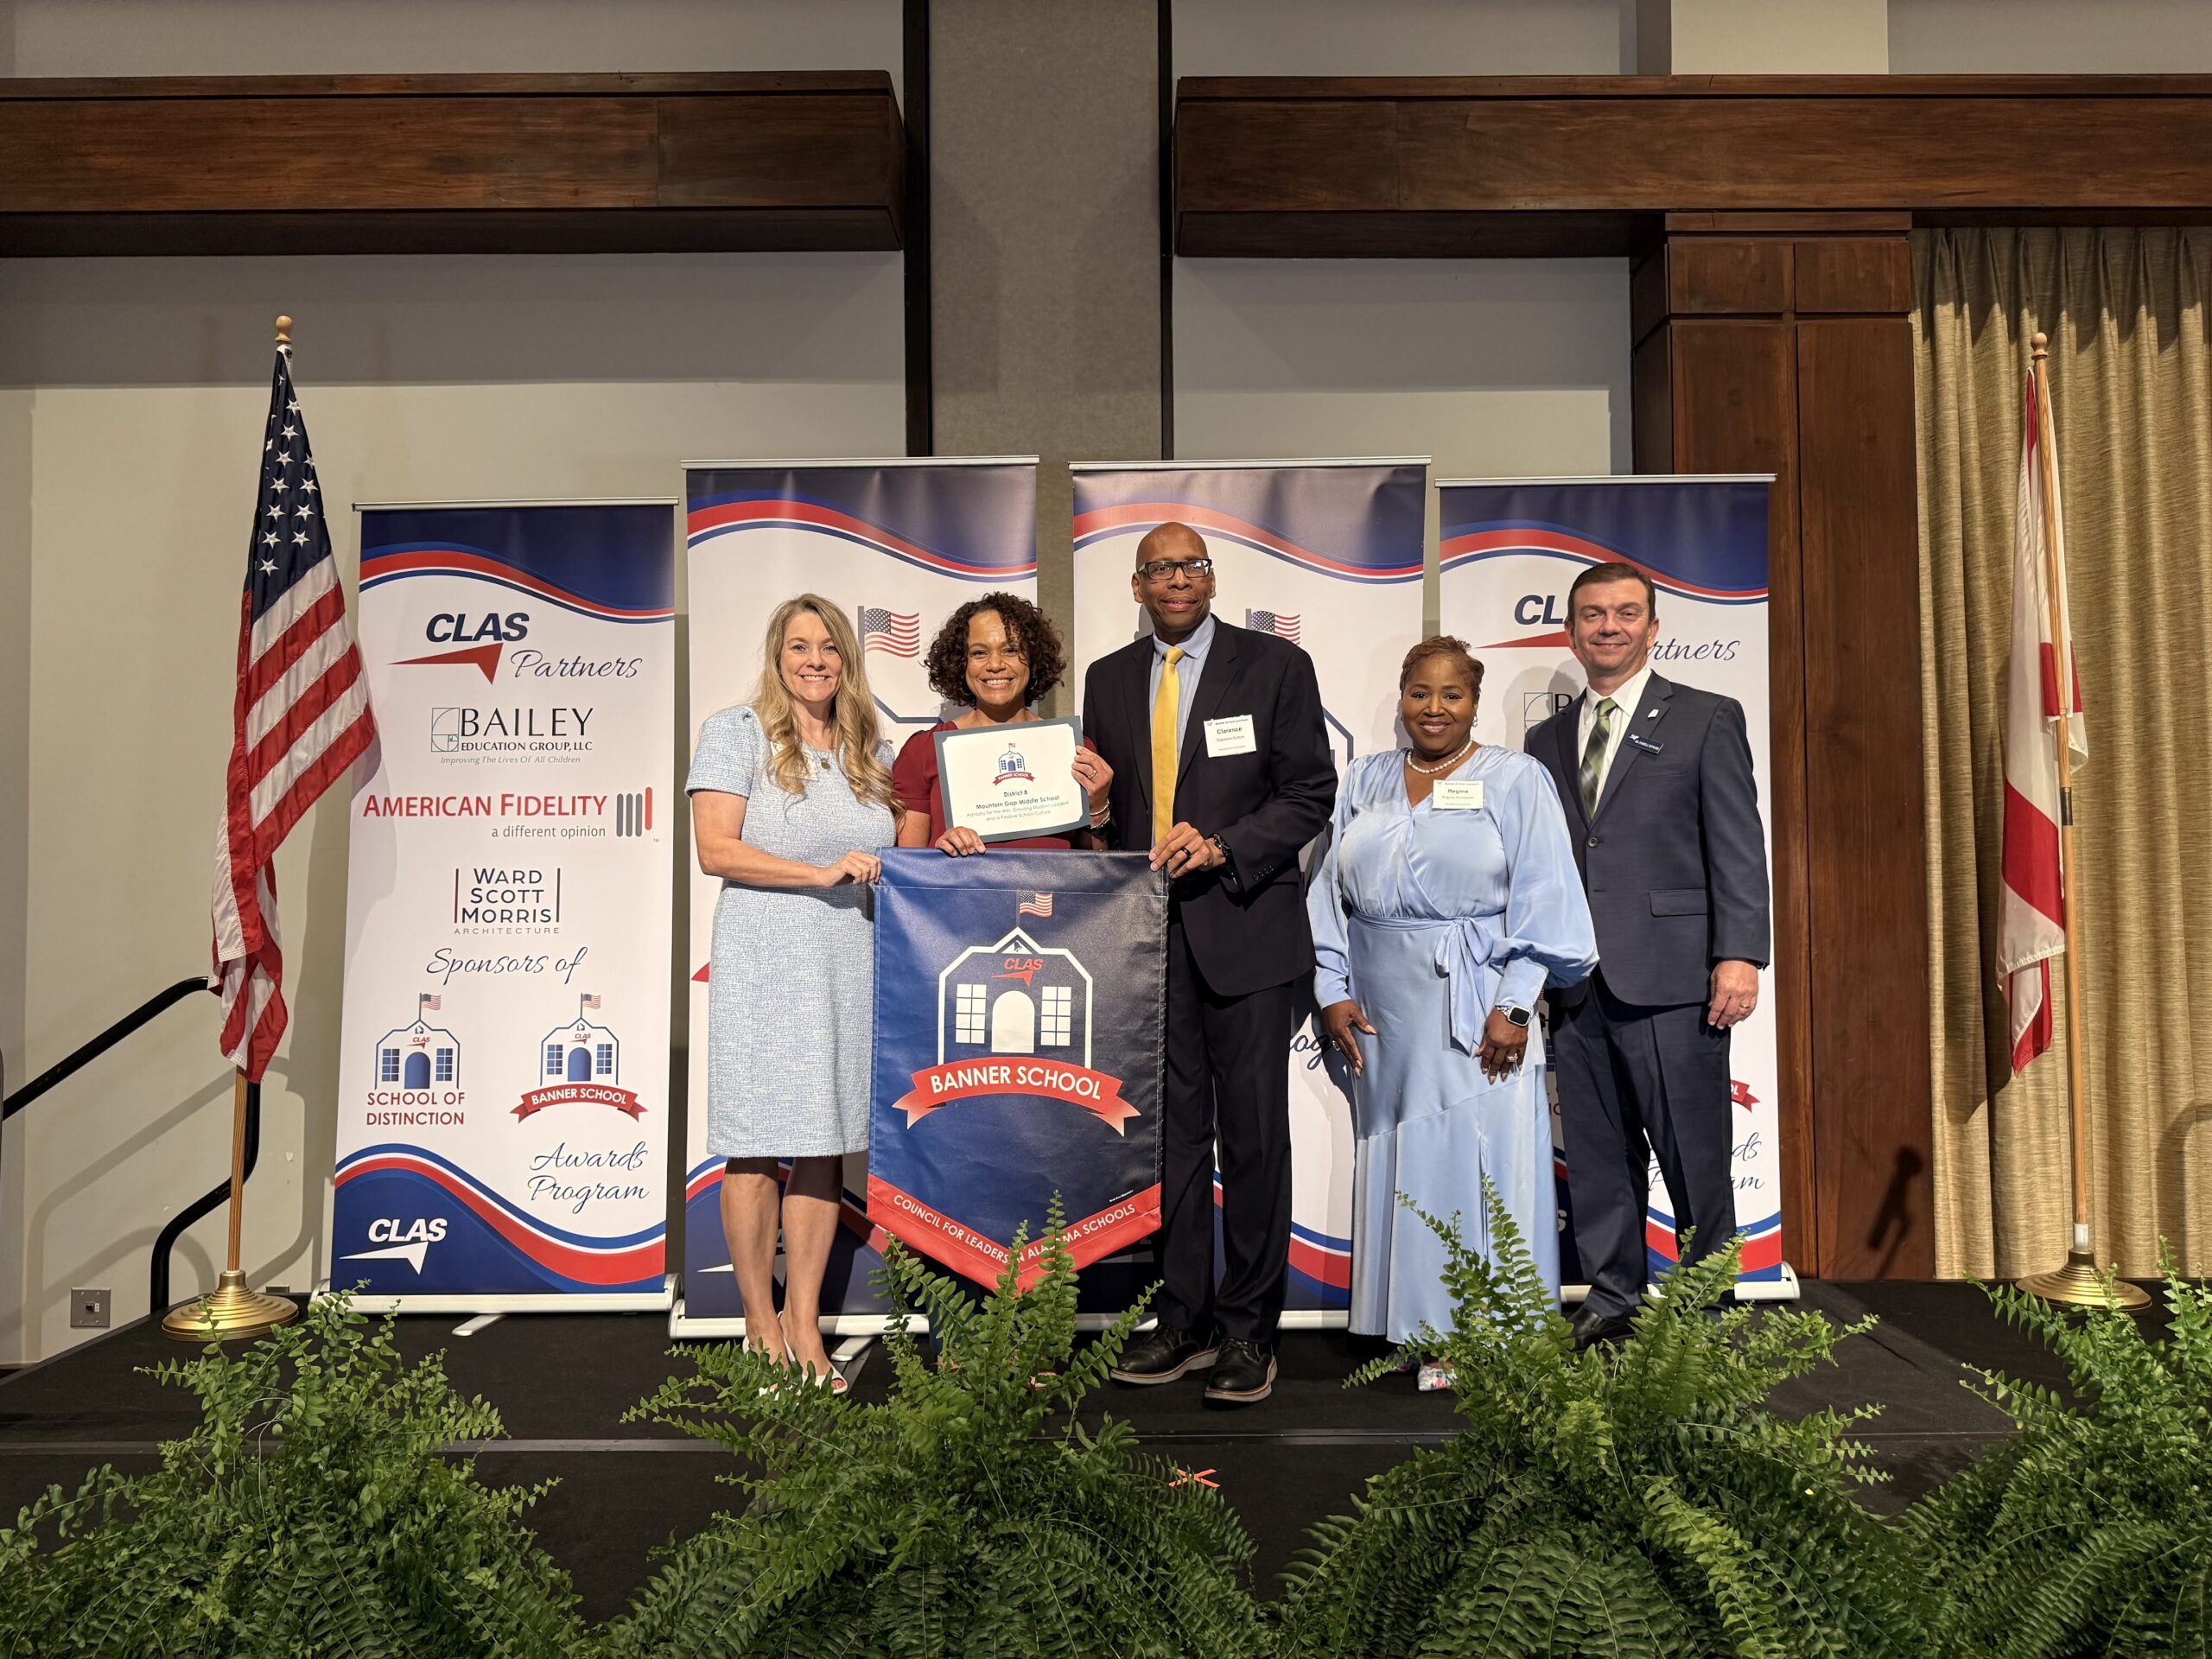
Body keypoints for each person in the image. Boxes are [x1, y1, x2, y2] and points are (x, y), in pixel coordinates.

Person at [1082, 521, 1337, 1407]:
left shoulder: (1273, 668)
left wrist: (1226, 845)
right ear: (1136, 583)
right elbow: (1106, 820)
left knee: (1255, 1137)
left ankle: (1248, 1332)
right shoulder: (1108, 679)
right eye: (1159, 568)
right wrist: (1098, 808)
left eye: (1190, 564)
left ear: (1212, 575)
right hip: (1150, 946)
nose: (1177, 579)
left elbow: (1309, 792)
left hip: (1247, 934)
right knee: (1172, 1144)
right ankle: (1181, 1321)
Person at [1310, 638, 1597, 1380]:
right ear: (1400, 696)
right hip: (1381, 1011)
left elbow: (1547, 895)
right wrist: (1331, 987)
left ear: (1475, 701)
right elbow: (1327, 896)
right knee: (1403, 1160)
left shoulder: (1516, 778)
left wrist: (1514, 1003)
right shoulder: (1366, 778)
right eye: (1419, 693)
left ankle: (1482, 1336)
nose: (1434, 709)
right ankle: (1404, 1326)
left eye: (1452, 695)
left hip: (1479, 1005)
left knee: (1481, 1163)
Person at [1524, 562, 1770, 1351]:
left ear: (1654, 629)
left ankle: (1705, 1305)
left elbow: (1738, 847)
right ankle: (1613, 1294)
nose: (1608, 627)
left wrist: (1740, 955)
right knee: (1597, 1155)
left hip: (1675, 977)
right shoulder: (1544, 739)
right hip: (1577, 979)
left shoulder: (1705, 716)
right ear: (1571, 630)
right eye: (1592, 614)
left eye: (1626, 613)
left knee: (1693, 1154)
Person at [687, 594, 900, 1390]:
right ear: (777, 657)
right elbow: (715, 850)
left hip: (850, 958)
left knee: (824, 1141)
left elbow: (898, 854)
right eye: (798, 646)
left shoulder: (866, 749)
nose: (815, 660)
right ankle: (758, 1322)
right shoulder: (735, 732)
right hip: (766, 959)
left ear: (848, 659)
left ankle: (804, 1325)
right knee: (757, 1140)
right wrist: (816, 872)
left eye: (829, 647)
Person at [893, 592, 1113, 855]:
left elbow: (1095, 869)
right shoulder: (923, 751)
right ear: (961, 664)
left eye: (1011, 650)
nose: (995, 665)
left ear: (1033, 658)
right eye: (979, 653)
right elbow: (908, 871)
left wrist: (1098, 807)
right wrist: (940, 851)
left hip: (1048, 897)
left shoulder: (1073, 748)